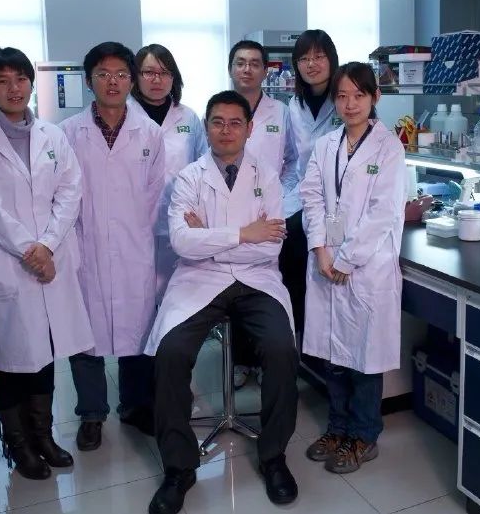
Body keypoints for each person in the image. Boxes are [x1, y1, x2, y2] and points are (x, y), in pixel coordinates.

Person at [144, 91, 300, 514]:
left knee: (281, 349)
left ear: (249, 129)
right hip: (199, 280)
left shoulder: (267, 176)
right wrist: (243, 234)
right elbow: (182, 243)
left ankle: (274, 457)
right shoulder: (189, 178)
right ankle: (179, 469)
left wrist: (209, 238)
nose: (226, 130)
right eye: (217, 122)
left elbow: (270, 247)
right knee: (171, 352)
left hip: (256, 279)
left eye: (235, 123)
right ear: (206, 127)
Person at [0, 47, 94, 481]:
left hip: (49, 259)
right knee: (11, 356)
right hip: (7, 263)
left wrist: (47, 246)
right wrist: (31, 252)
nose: (13, 88)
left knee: (44, 351)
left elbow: (71, 190)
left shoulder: (52, 136)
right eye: (2, 81)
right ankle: (18, 444)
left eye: (20, 79)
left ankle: (43, 435)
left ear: (31, 84)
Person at [299, 61, 407, 475]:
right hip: (326, 260)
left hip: (366, 267)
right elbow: (311, 197)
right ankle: (337, 428)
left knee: (363, 358)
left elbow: (383, 212)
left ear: (374, 97)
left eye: (359, 95)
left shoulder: (389, 148)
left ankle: (364, 436)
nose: (350, 104)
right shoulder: (326, 145)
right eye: (342, 96)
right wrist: (320, 248)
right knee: (333, 355)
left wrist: (347, 258)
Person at [59, 42, 165, 449]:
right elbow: (61, 195)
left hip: (135, 248)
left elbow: (155, 196)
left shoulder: (149, 133)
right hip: (84, 246)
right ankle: (91, 414)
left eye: (121, 74)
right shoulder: (67, 134)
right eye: (103, 74)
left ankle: (135, 406)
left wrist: (149, 247)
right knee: (83, 333)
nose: (113, 82)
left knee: (138, 330)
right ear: (89, 82)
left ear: (132, 80)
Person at [227, 39, 298, 389]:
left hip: (269, 216)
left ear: (265, 70)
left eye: (255, 63)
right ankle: (240, 360)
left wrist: (278, 196)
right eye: (241, 62)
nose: (247, 69)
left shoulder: (280, 112)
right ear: (231, 68)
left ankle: (264, 359)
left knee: (264, 288)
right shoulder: (220, 107)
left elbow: (293, 160)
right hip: (229, 213)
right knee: (233, 284)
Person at [129, 44, 208, 301]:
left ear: (174, 78)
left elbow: (203, 166)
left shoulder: (188, 118)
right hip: (133, 219)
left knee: (176, 296)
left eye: (164, 73)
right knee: (136, 295)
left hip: (180, 217)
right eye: (149, 72)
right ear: (136, 76)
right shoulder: (124, 116)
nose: (157, 80)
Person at [281, 30, 342, 333]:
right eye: (304, 58)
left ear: (331, 59)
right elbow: (295, 162)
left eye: (319, 56)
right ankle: (300, 341)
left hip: (339, 205)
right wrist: (280, 202)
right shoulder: (294, 105)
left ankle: (327, 344)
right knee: (292, 262)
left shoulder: (345, 99)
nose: (311, 64)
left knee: (332, 264)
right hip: (304, 198)